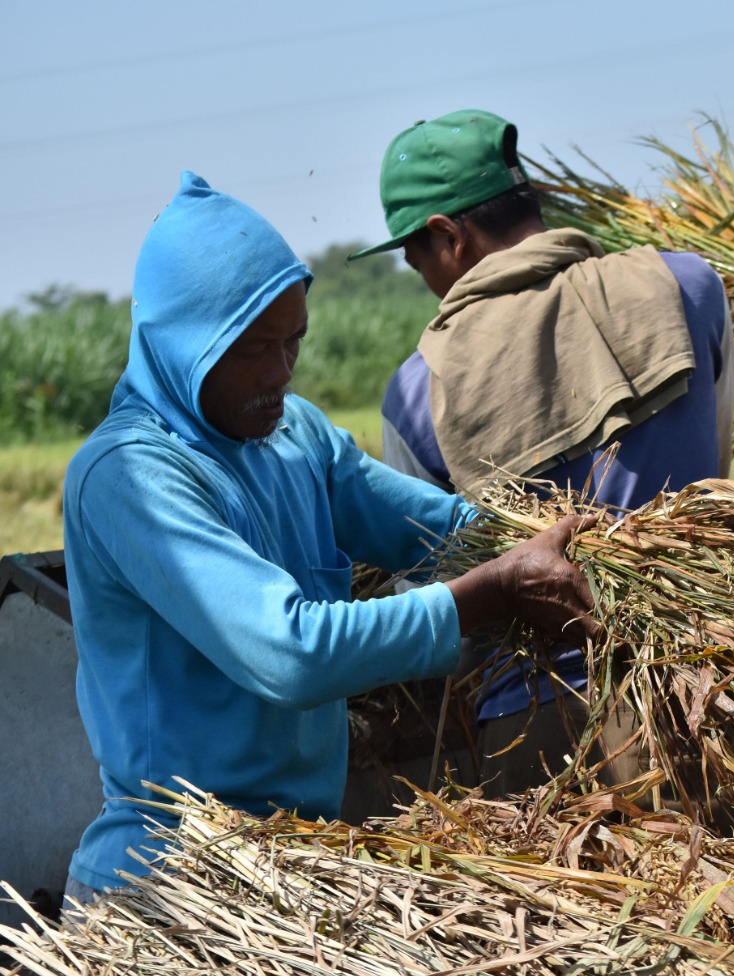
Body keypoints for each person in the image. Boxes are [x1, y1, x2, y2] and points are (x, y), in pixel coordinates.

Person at [61, 172, 597, 908]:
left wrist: (563, 545)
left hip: (294, 859)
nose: (280, 373)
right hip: (174, 876)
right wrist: (493, 591)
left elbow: (438, 530)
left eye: (295, 343)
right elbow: (290, 654)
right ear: (183, 345)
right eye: (253, 349)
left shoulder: (296, 435)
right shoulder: (131, 476)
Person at [349, 109, 734, 752]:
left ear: (449, 236)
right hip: (715, 688)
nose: (428, 285)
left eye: (419, 261)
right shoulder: (687, 287)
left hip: (538, 717)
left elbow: (440, 602)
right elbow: (717, 470)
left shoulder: (420, 389)